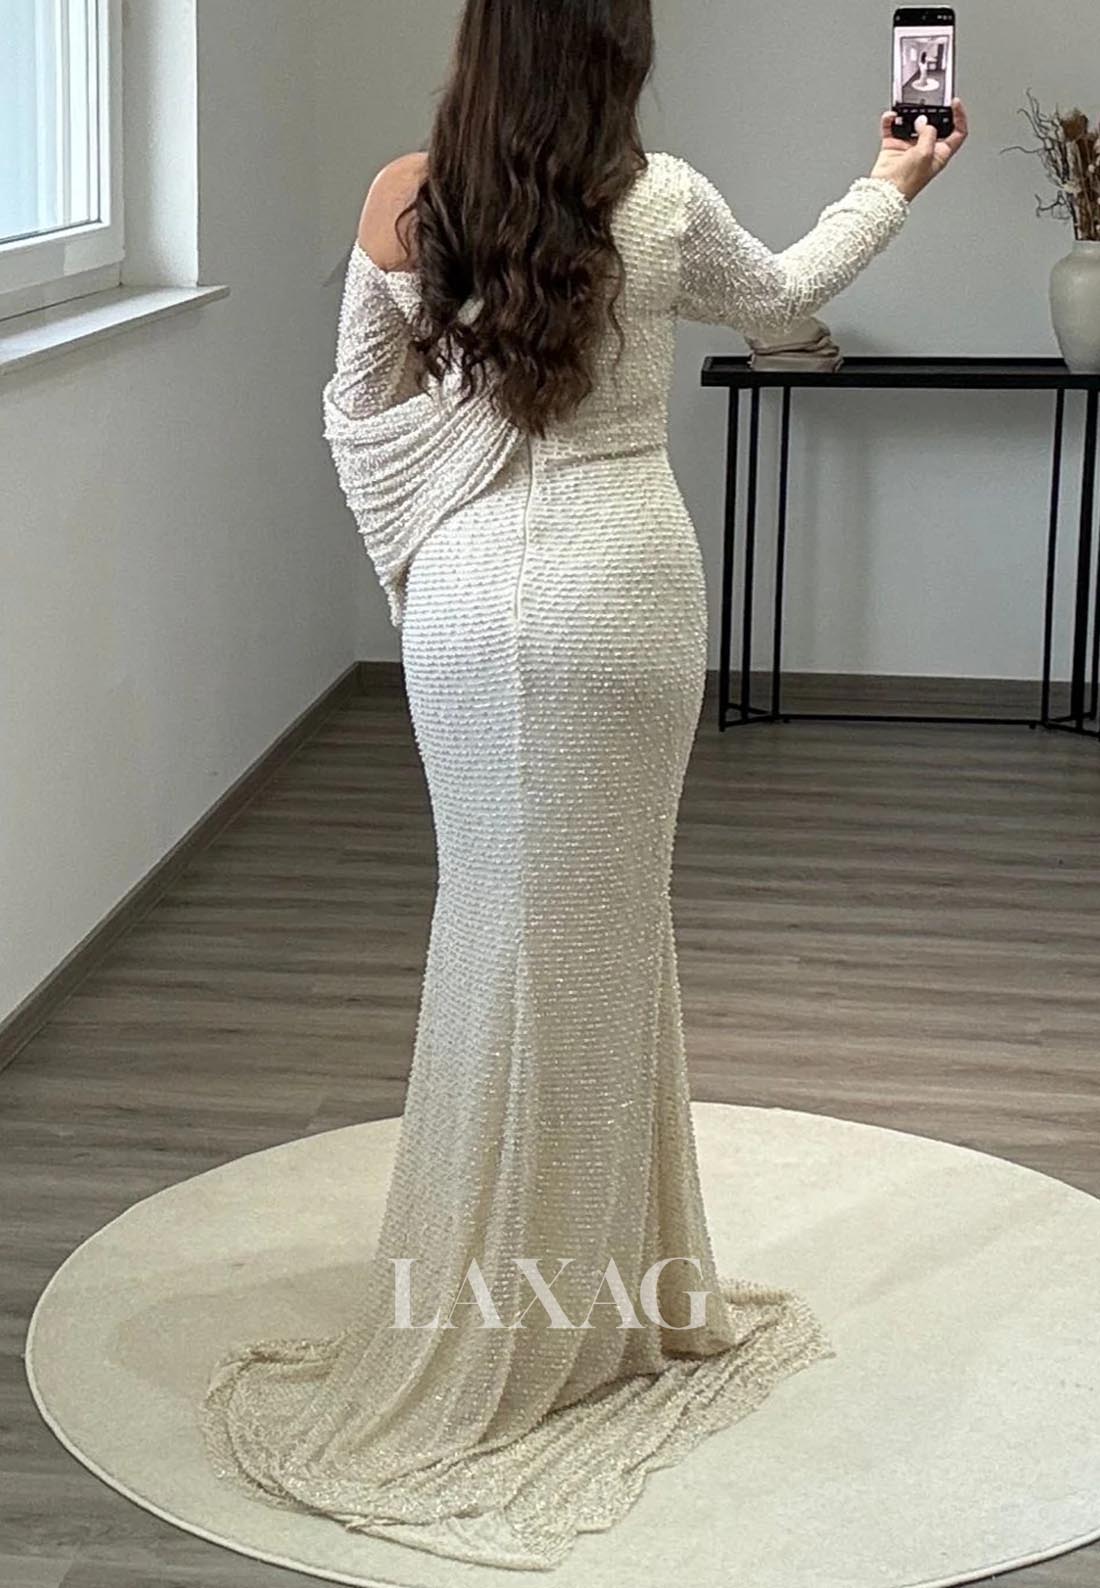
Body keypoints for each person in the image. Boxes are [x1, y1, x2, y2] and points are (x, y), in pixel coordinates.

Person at [199, 0, 968, 1570]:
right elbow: (785, 301)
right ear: (615, 55)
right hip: (624, 587)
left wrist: (452, 491)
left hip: (473, 601)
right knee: (607, 935)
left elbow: (356, 412)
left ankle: (508, 1283)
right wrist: (893, 180)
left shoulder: (406, 198)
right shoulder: (661, 200)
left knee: (495, 925)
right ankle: (587, 1294)